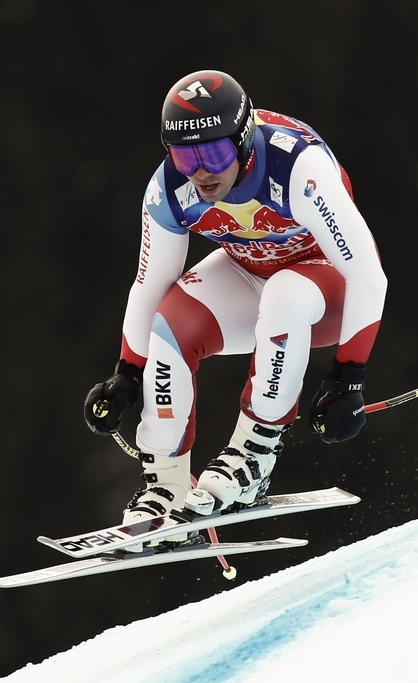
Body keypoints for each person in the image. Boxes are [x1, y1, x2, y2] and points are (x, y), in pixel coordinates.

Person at [83, 69, 387, 533]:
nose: (201, 171)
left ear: (244, 140)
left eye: (215, 153)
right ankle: (165, 484)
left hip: (328, 286)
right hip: (252, 272)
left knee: (285, 294)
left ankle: (254, 456)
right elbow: (149, 284)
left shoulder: (297, 167)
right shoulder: (168, 189)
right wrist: (127, 373)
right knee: (169, 325)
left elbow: (367, 274)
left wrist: (349, 376)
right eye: (185, 156)